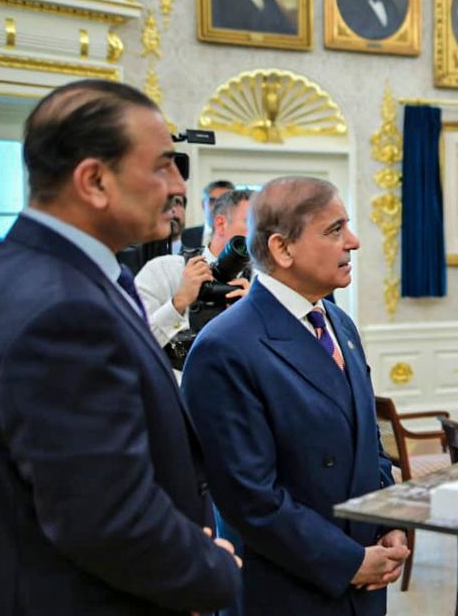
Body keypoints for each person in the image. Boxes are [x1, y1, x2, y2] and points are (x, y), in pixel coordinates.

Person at [0, 79, 241, 615]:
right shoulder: (61, 310)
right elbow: (103, 516)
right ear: (94, 180)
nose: (177, 185)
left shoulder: (20, 271)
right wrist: (212, 568)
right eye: (163, 165)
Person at [182, 176, 408, 615]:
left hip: (361, 581)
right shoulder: (224, 347)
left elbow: (367, 443)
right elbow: (249, 498)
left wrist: (386, 522)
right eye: (334, 230)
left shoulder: (341, 325)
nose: (354, 242)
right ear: (282, 249)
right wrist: (349, 562)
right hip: (287, 590)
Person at [136, 189, 252, 362]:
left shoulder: (262, 284)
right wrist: (179, 303)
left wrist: (252, 318)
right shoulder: (163, 271)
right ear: (221, 224)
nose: (262, 234)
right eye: (252, 223)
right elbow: (133, 344)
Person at [182, 179, 235, 250]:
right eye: (212, 201)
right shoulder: (186, 235)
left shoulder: (241, 236)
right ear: (203, 204)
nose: (217, 206)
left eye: (224, 200)